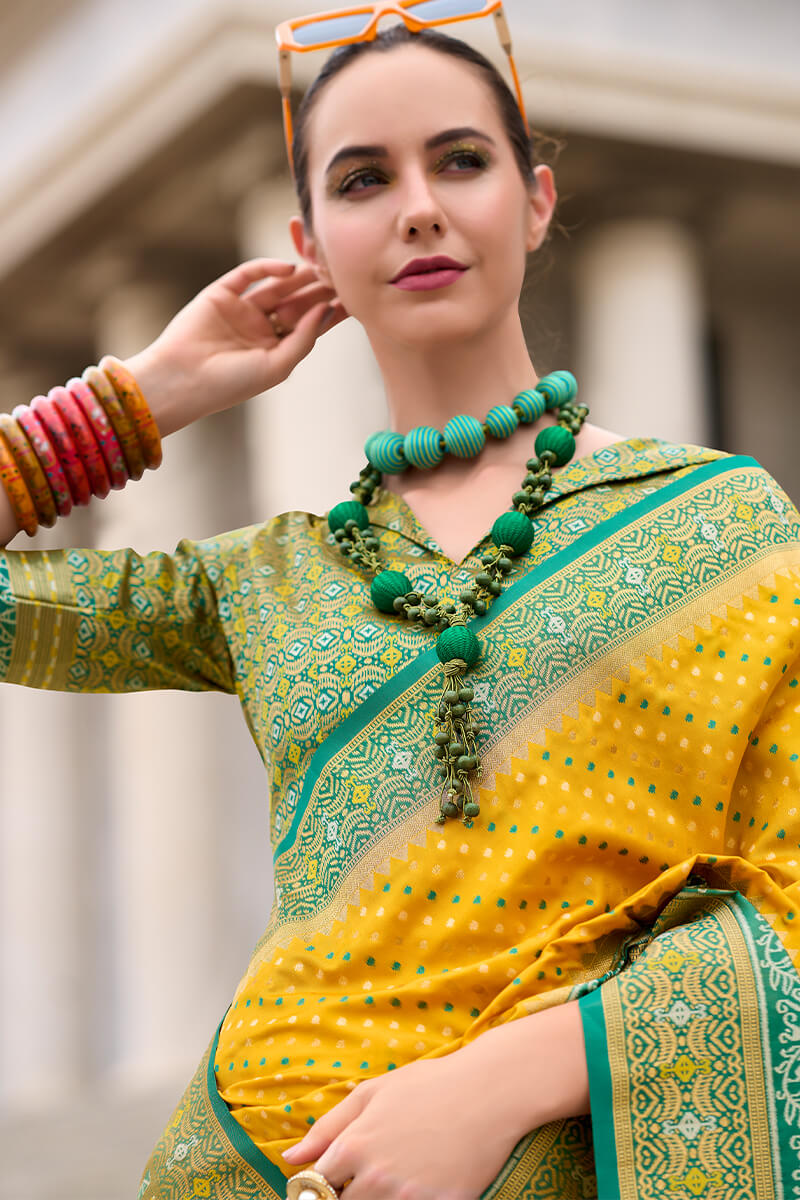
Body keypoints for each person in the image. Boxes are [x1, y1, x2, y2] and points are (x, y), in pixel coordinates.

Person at [2, 12, 799, 1200]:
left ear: (533, 202)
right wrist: (143, 396)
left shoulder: (726, 532)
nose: (417, 205)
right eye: (363, 179)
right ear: (308, 241)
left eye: (459, 160)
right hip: (253, 1165)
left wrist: (504, 1080)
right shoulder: (266, 580)